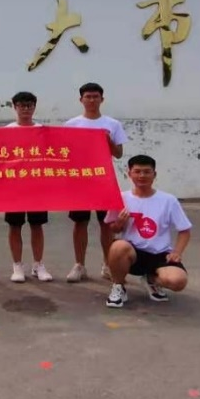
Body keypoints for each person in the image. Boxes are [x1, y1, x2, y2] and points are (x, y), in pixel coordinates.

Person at [103, 155, 191, 309]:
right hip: (134, 253)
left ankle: (151, 279)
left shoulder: (168, 200)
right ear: (129, 174)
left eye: (146, 172)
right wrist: (120, 222)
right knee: (118, 246)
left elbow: (184, 230)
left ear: (154, 174)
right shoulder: (121, 198)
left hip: (160, 254)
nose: (142, 176)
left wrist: (177, 252)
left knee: (178, 281)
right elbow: (113, 229)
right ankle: (118, 286)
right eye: (137, 171)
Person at [63, 82, 128, 283]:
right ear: (81, 99)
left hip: (103, 180)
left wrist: (107, 141)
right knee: (80, 222)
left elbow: (119, 154)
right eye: (88, 97)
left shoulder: (112, 124)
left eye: (95, 96)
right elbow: (65, 153)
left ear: (102, 99)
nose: (91, 100)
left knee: (106, 223)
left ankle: (108, 264)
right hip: (80, 180)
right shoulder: (71, 124)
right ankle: (79, 265)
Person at [4, 91, 52, 282]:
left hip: (37, 186)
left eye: (29, 105)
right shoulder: (6, 131)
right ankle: (17, 266)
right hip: (14, 187)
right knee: (15, 226)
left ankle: (38, 264)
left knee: (37, 225)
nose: (26, 109)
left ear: (34, 107)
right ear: (14, 107)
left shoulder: (43, 131)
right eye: (22, 105)